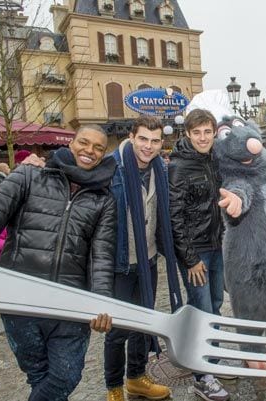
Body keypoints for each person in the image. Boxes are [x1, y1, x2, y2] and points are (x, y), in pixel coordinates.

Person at [0, 124, 116, 401]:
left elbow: (101, 255)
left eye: (98, 148)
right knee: (39, 376)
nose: (89, 151)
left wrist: (101, 301)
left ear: (103, 155)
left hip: (70, 303)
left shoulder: (103, 199)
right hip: (19, 297)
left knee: (65, 375)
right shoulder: (29, 176)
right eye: (84, 142)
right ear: (71, 144)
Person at [105, 116, 183, 401]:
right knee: (117, 329)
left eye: (154, 141)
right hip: (121, 263)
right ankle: (113, 387)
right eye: (143, 139)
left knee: (143, 323)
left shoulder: (160, 170)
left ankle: (137, 378)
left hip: (148, 259)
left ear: (161, 141)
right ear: (131, 136)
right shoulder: (111, 168)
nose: (148, 147)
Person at [169, 108, 237, 401]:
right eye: (196, 132)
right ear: (188, 134)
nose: (202, 137)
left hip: (217, 245)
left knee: (217, 305)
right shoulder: (179, 166)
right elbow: (174, 217)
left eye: (207, 132)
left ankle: (213, 361)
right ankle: (201, 377)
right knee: (200, 311)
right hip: (196, 252)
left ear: (213, 131)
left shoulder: (216, 160)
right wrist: (189, 258)